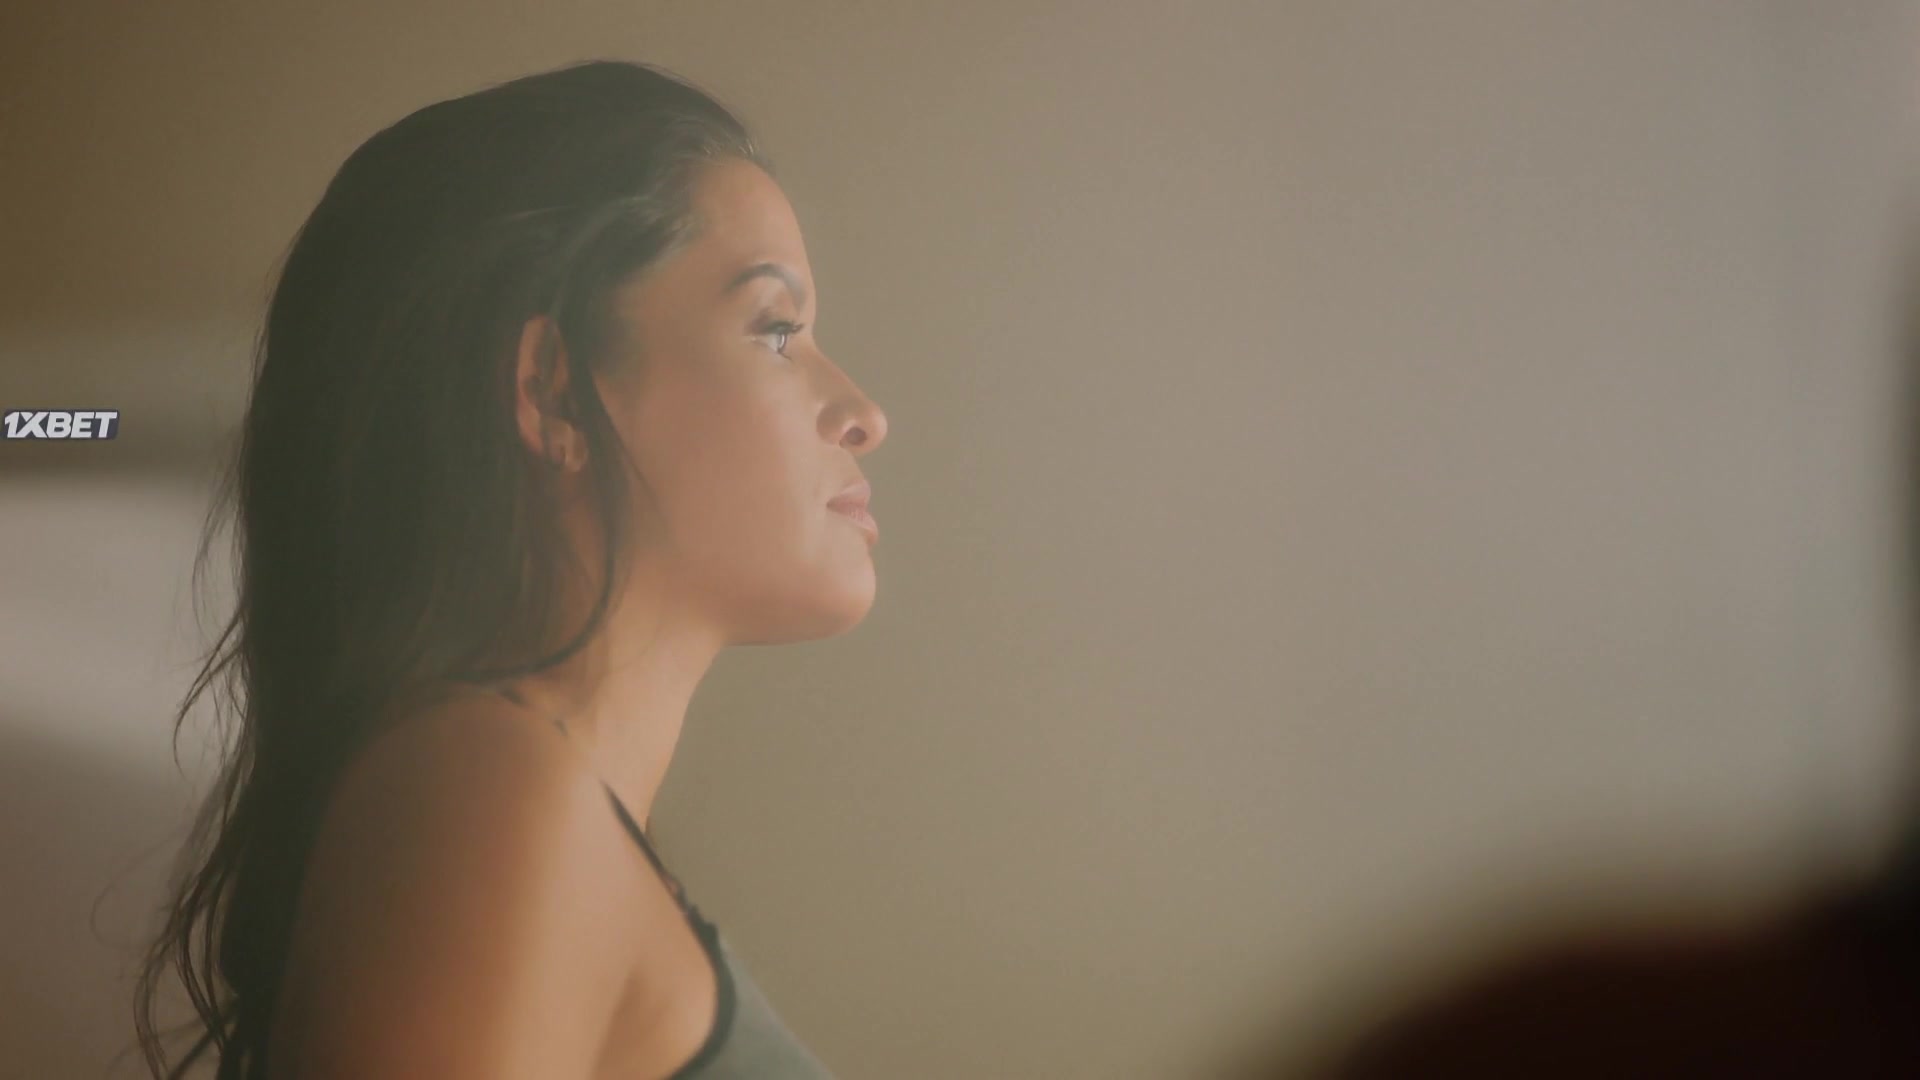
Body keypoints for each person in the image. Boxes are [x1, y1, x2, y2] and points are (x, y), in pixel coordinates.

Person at [129, 59, 887, 1080]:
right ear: (554, 393)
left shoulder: (518, 801)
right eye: (776, 330)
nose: (864, 415)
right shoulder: (495, 794)